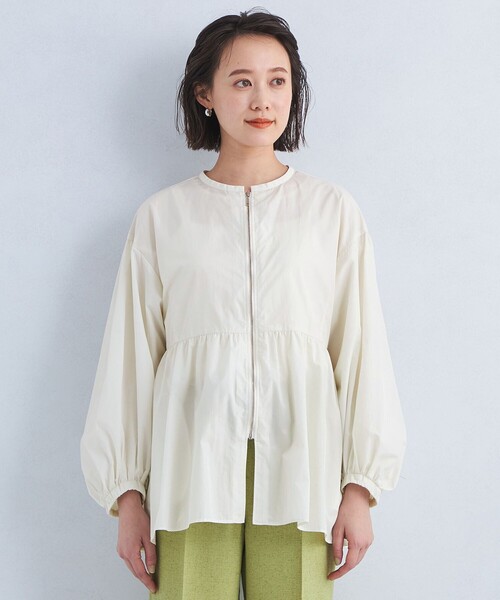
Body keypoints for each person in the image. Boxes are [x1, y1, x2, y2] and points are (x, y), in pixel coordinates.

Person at [80, 8, 407, 600]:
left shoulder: (331, 212)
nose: (262, 99)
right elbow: (129, 360)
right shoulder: (162, 217)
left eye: (278, 80)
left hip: (304, 472)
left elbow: (361, 352)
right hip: (190, 472)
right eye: (241, 81)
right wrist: (127, 496)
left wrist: (360, 489)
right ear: (204, 94)